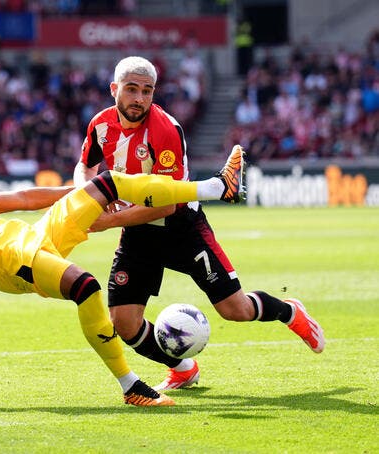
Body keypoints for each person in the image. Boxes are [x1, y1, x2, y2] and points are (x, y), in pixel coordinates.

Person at [0, 139, 244, 408]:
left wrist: (86, 193)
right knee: (85, 286)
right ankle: (130, 386)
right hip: (0, 259)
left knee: (109, 180)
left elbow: (26, 199)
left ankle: (214, 187)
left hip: (33, 237)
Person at [73, 56, 325, 391]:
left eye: (147, 91)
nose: (139, 98)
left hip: (182, 227)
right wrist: (84, 195)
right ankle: (182, 368)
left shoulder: (165, 130)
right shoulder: (101, 124)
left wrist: (108, 221)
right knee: (124, 323)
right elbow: (85, 165)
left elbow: (166, 203)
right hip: (137, 235)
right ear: (114, 89)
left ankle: (288, 311)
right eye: (131, 89)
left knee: (235, 310)